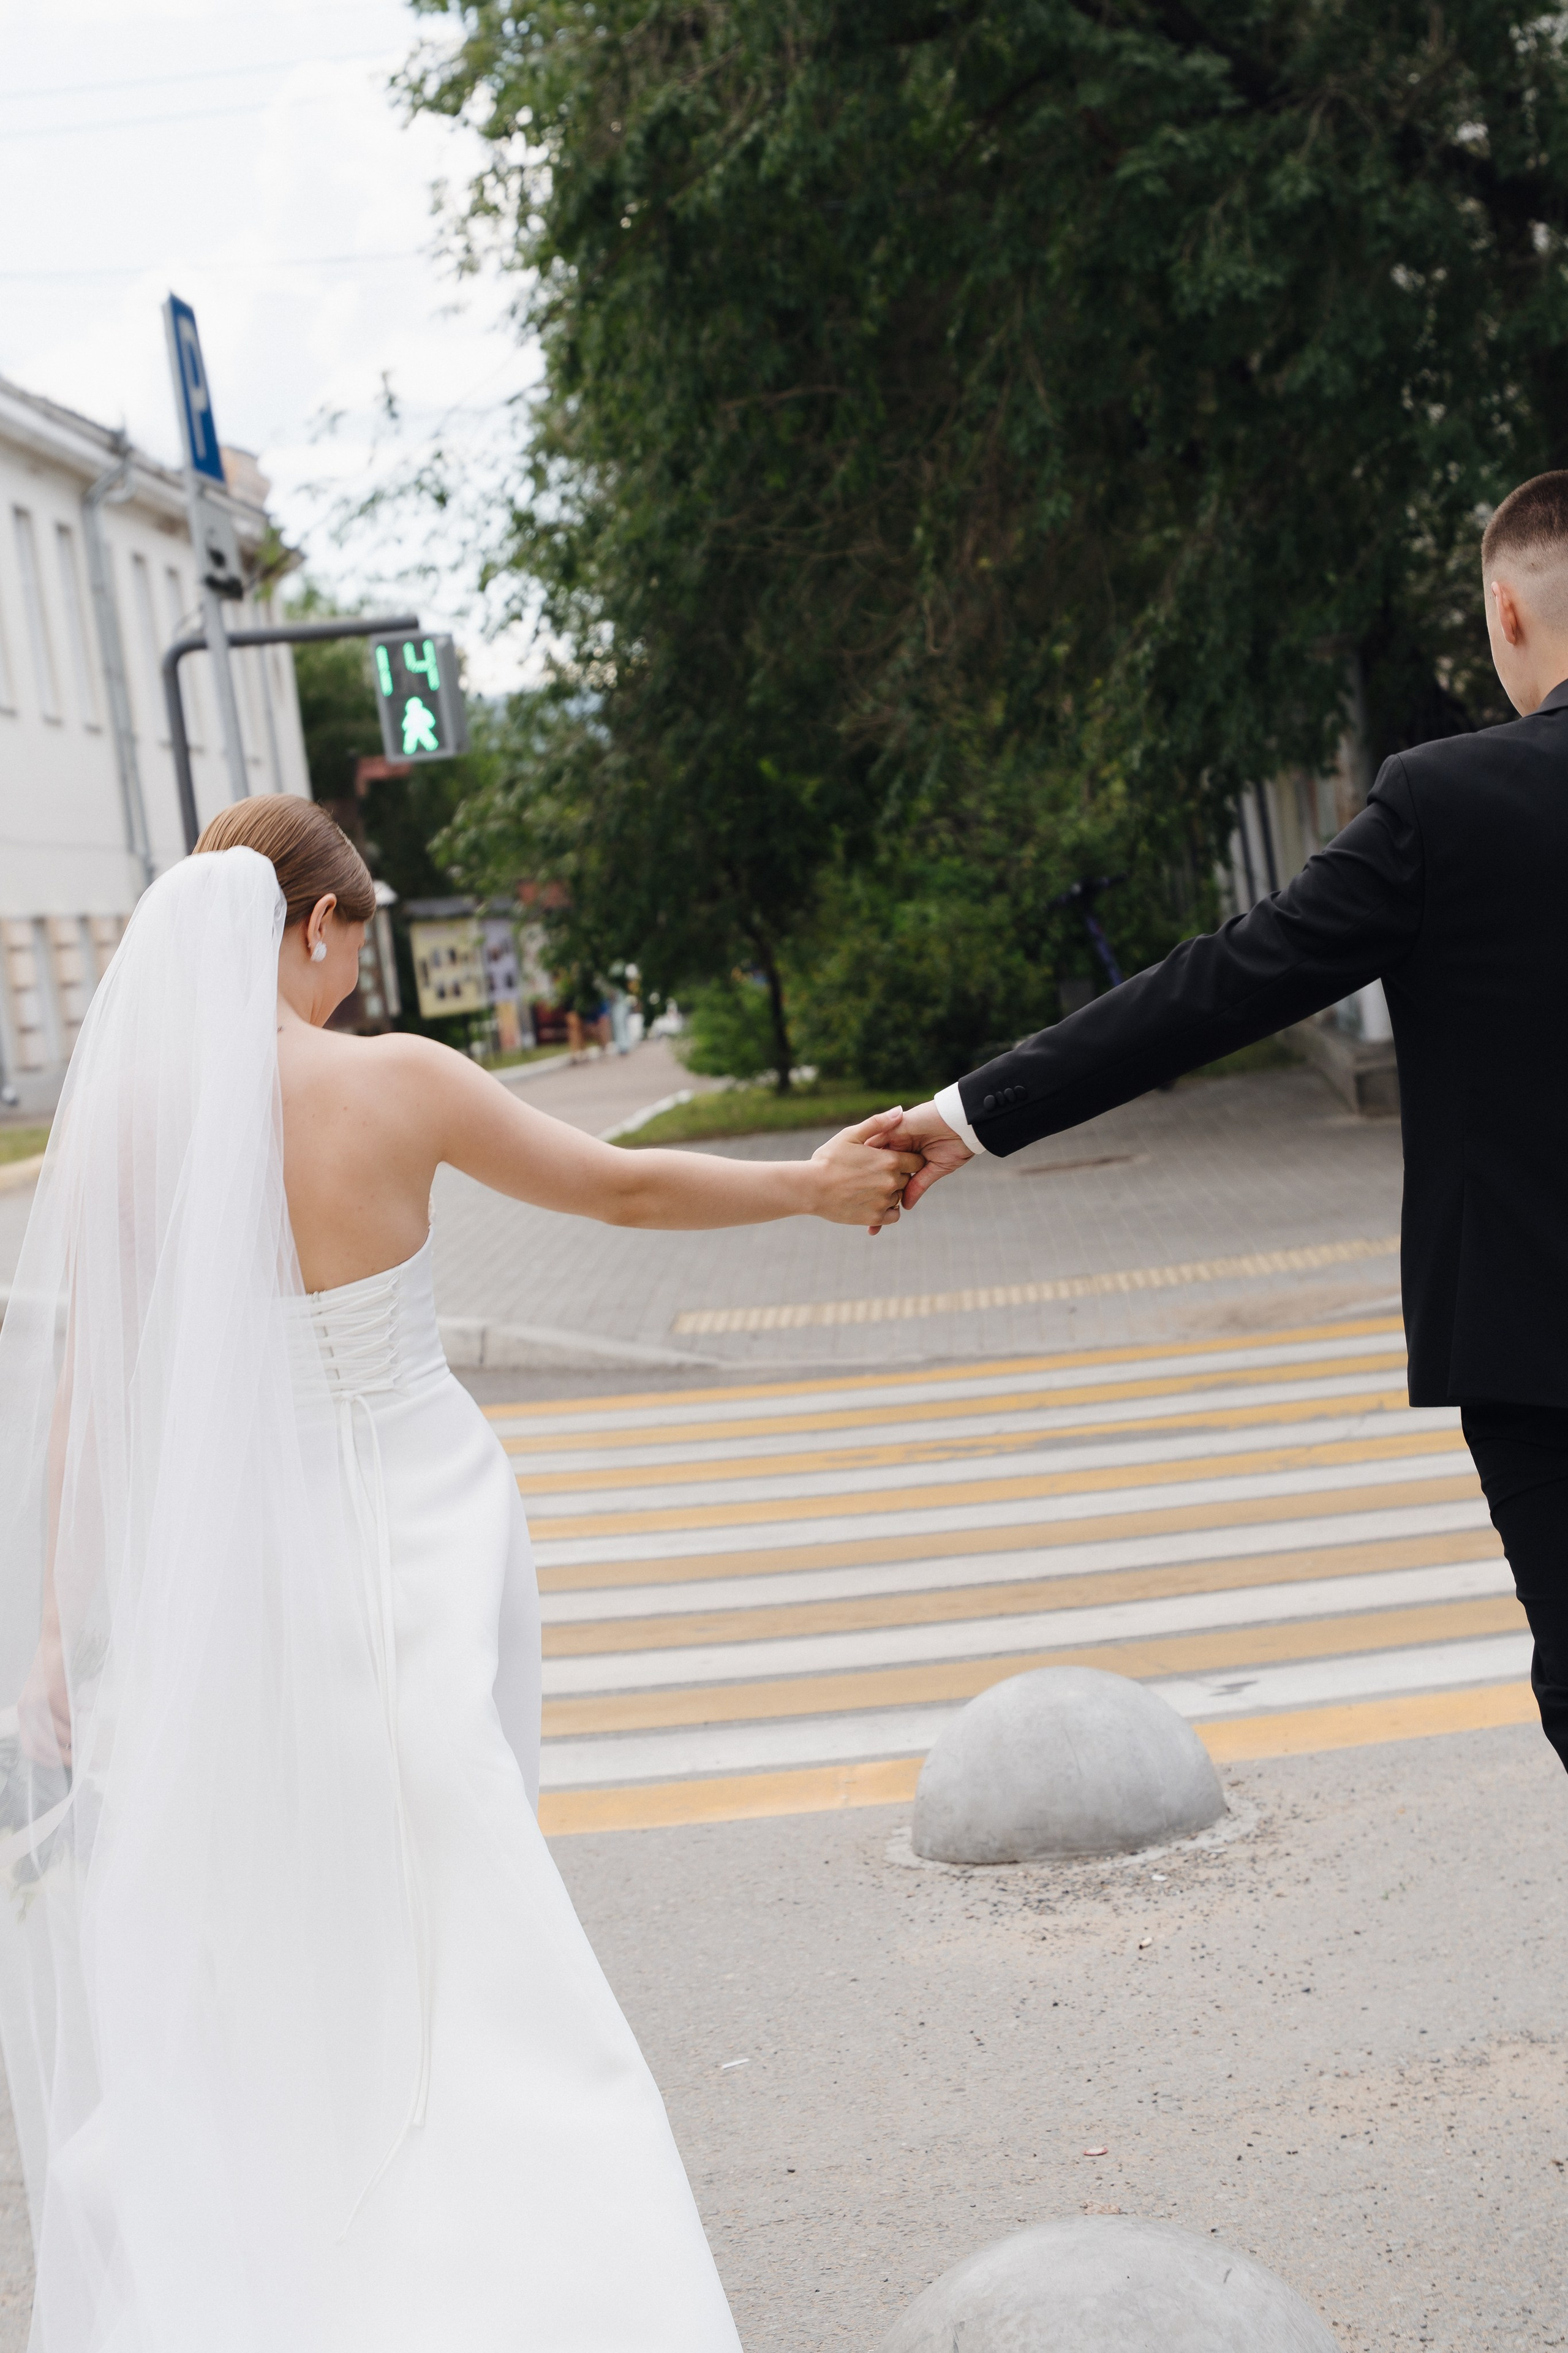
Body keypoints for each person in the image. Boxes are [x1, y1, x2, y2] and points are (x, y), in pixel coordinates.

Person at [0, 796, 921, 2351]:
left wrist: (46, 1632)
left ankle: (297, 2228)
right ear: (315, 924)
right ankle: (505, 2242)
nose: (352, 983)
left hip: (236, 1586)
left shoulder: (145, 1121)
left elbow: (91, 1383)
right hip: (416, 1529)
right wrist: (805, 1188)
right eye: (352, 943)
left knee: (274, 1895)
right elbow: (617, 1190)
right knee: (455, 1879)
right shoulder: (399, 1083)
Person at [888, 468, 1568, 1779]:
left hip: (1539, 1350)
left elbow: (1221, 983)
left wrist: (966, 1116)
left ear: (1504, 611)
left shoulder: (1446, 805)